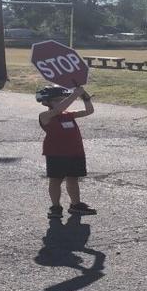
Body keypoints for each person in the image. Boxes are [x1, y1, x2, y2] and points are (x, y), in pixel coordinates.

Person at [36, 85, 97, 219]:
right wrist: (75, 94)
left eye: (62, 99)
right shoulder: (45, 115)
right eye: (57, 100)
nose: (61, 102)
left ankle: (75, 204)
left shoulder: (68, 114)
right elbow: (59, 109)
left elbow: (89, 110)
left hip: (75, 152)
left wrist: (85, 97)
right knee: (56, 180)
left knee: (73, 179)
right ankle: (55, 207)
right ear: (46, 102)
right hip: (56, 153)